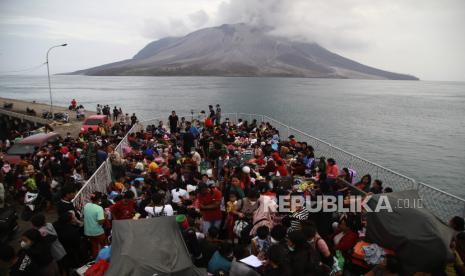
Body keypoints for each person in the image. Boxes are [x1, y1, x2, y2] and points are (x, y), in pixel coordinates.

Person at [83, 192, 106, 258]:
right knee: (103, 245)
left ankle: (96, 259)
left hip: (88, 231)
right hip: (98, 232)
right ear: (99, 199)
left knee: (94, 246)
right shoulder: (99, 208)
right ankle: (103, 259)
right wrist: (105, 216)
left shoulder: (86, 205)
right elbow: (100, 222)